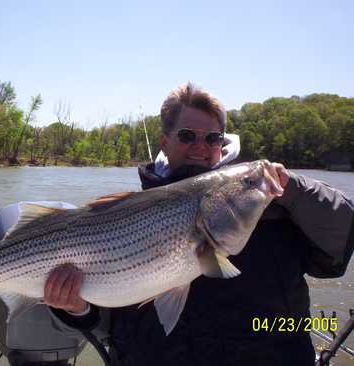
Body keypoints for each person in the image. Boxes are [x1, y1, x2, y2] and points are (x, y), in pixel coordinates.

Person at [44, 83, 354, 366]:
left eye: (213, 138)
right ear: (165, 142)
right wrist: (75, 309)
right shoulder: (123, 214)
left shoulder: (273, 202)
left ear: (223, 143)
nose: (201, 146)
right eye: (187, 136)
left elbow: (340, 236)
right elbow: (105, 320)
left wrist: (295, 189)